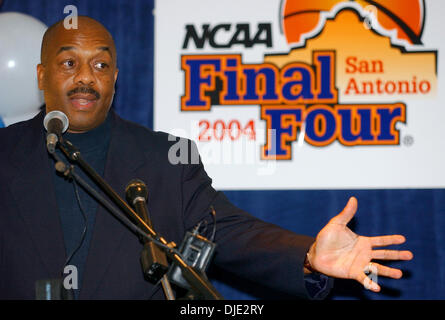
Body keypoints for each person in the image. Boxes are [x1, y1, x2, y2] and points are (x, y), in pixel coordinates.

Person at [0, 16, 413, 300]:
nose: (86, 78)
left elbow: (229, 233)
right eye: (69, 63)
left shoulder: (164, 159)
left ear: (115, 77)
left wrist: (307, 256)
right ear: (41, 75)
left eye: (101, 64)